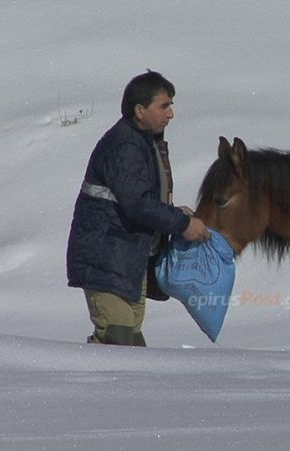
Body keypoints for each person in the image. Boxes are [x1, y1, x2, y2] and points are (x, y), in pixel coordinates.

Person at [66, 70, 210, 346]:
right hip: (106, 258)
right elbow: (137, 204)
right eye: (164, 106)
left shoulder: (142, 142)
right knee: (117, 339)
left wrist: (174, 213)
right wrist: (182, 224)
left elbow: (138, 198)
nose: (171, 114)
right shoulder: (125, 146)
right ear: (140, 110)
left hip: (127, 260)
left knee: (131, 343)